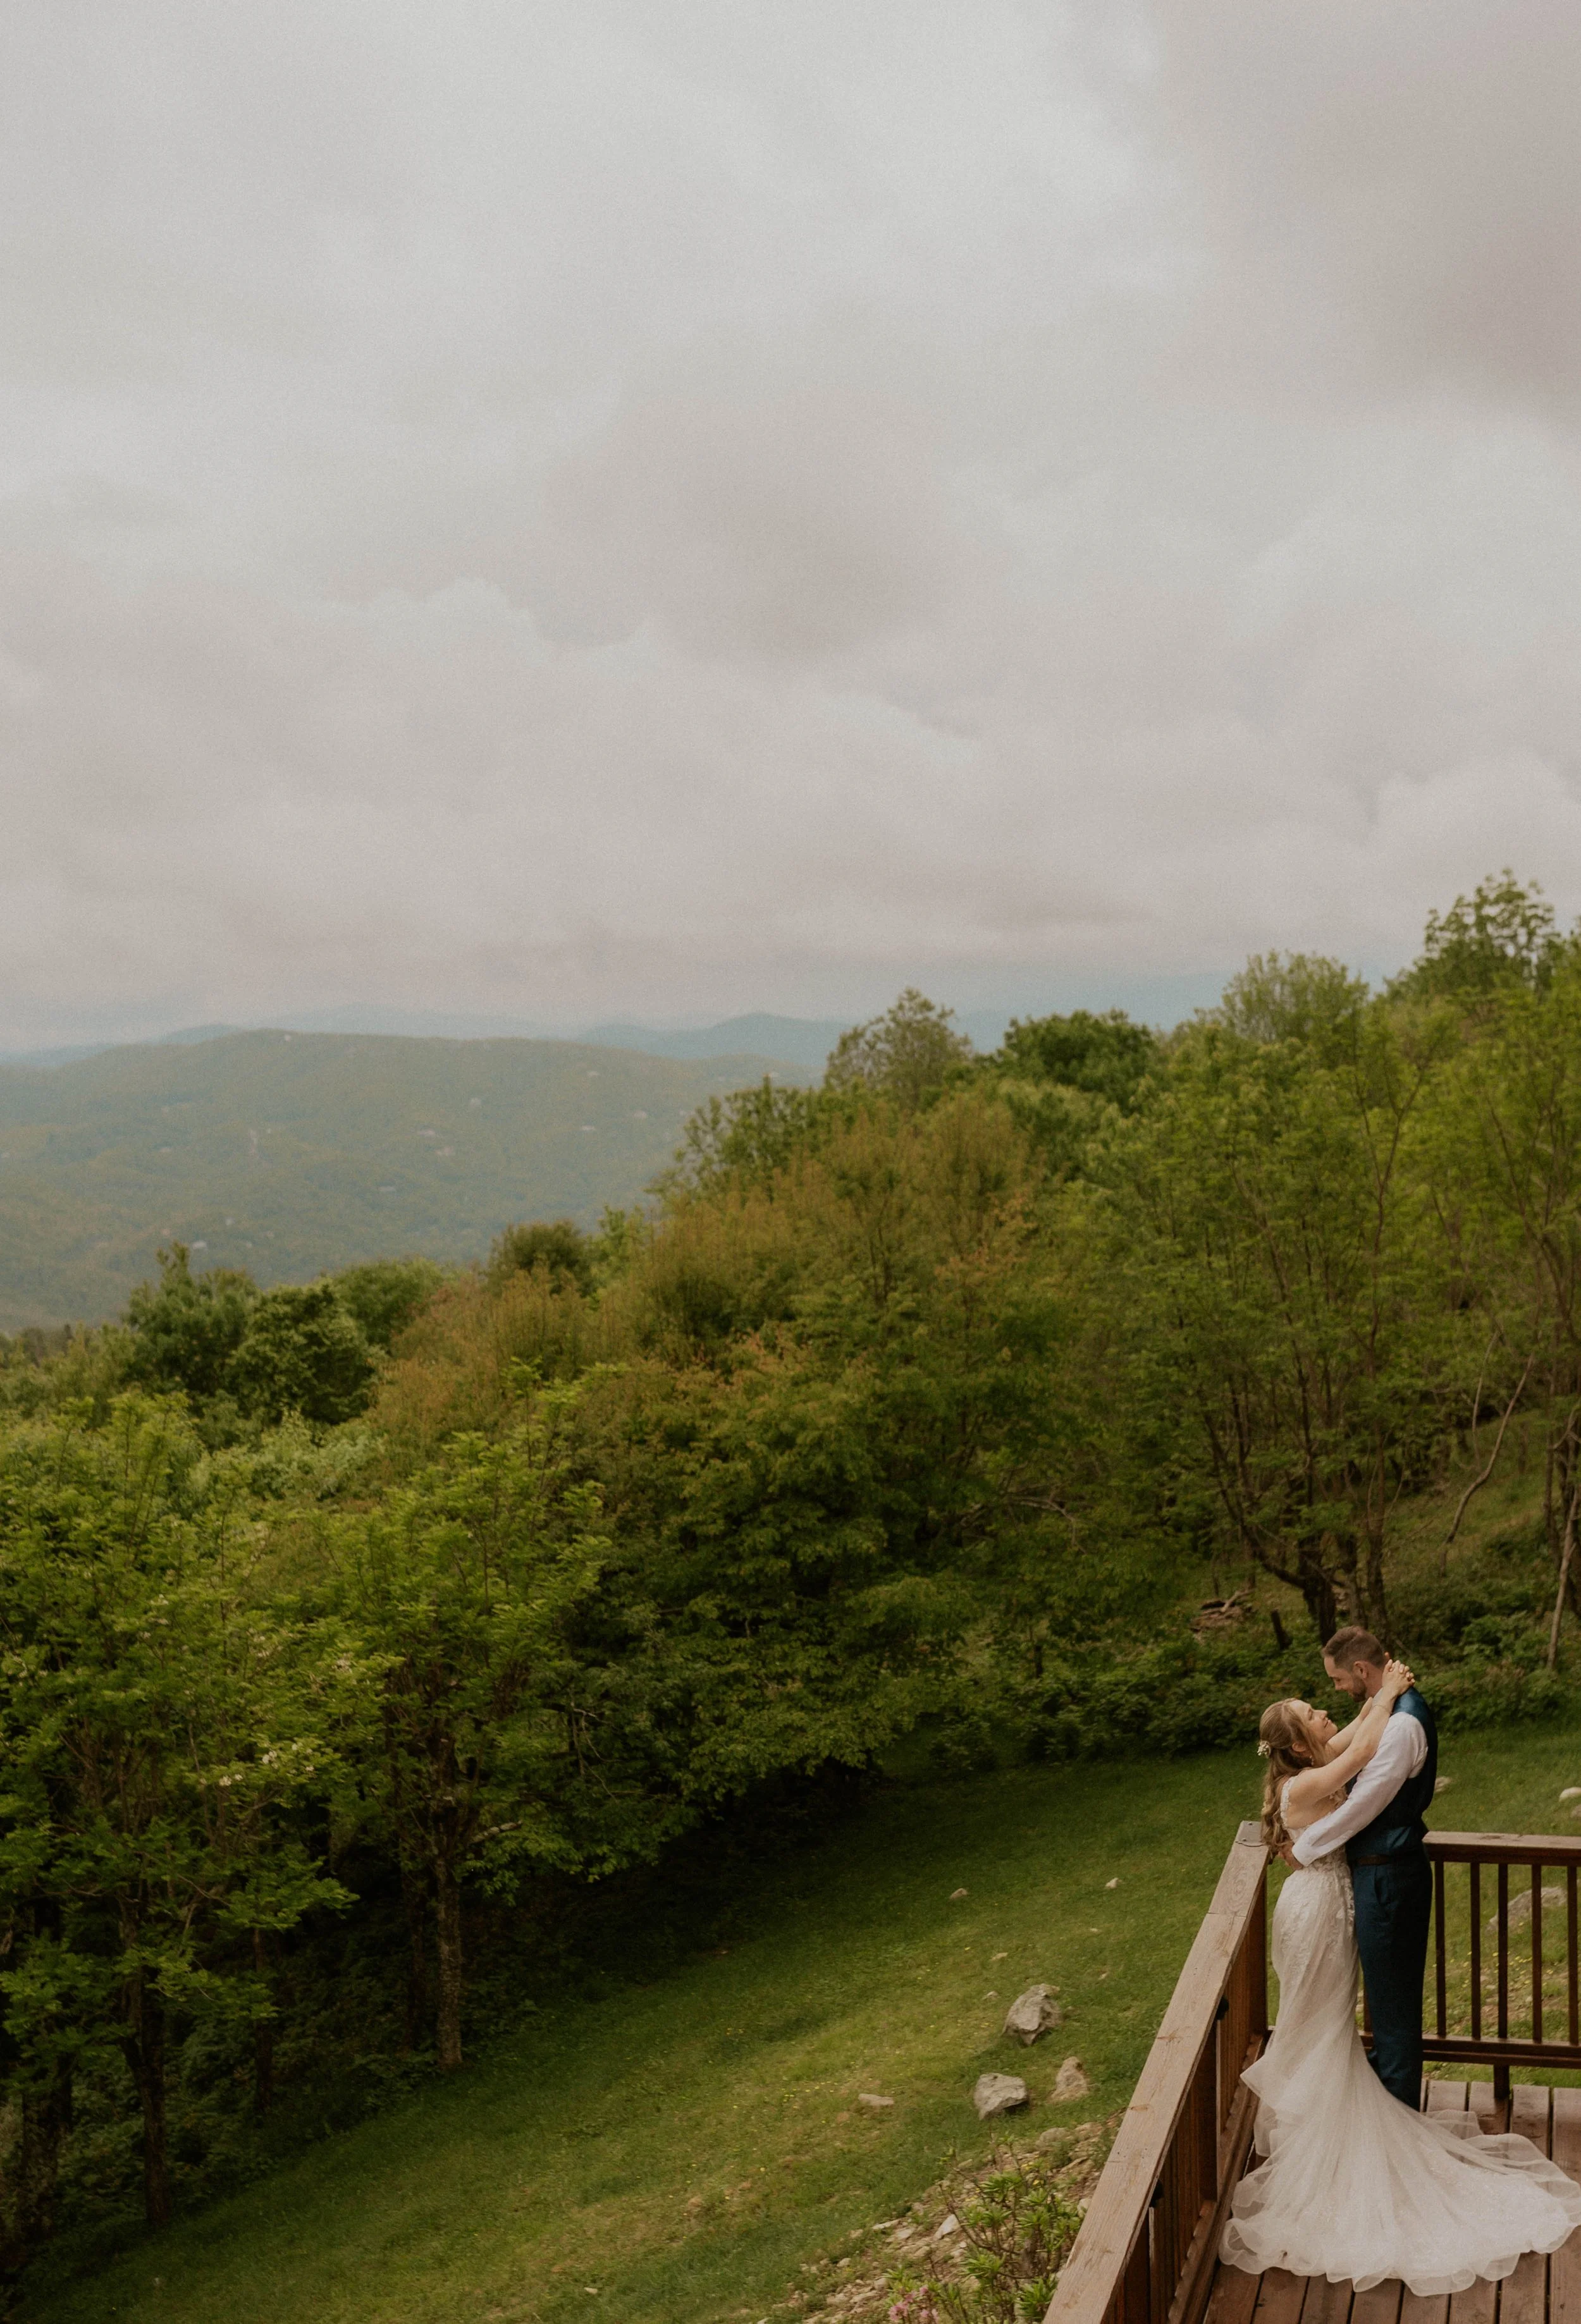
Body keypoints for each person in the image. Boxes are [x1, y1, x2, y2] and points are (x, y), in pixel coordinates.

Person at [1221, 1658, 1581, 2294]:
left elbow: (1355, 1728)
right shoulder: (1301, 1786)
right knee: (1314, 2025)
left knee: (1332, 2024)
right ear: (1300, 1744)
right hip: (1313, 1915)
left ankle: (1323, 2151)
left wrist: (1373, 1690)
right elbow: (1361, 1746)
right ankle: (1319, 2157)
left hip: (1338, 1905)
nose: (1323, 1711)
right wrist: (1386, 1689)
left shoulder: (1311, 1760)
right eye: (1313, 1712)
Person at [1296, 1626, 1437, 2107]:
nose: (1335, 1689)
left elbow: (1364, 1805)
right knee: (1383, 2002)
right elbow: (1356, 1740)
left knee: (1394, 2012)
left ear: (1360, 1670)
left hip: (1391, 1880)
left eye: (1338, 1679)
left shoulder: (1403, 1726)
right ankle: (1388, 2118)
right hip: (1382, 1876)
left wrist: (1305, 1846)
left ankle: (1400, 2127)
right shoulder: (1389, 1711)